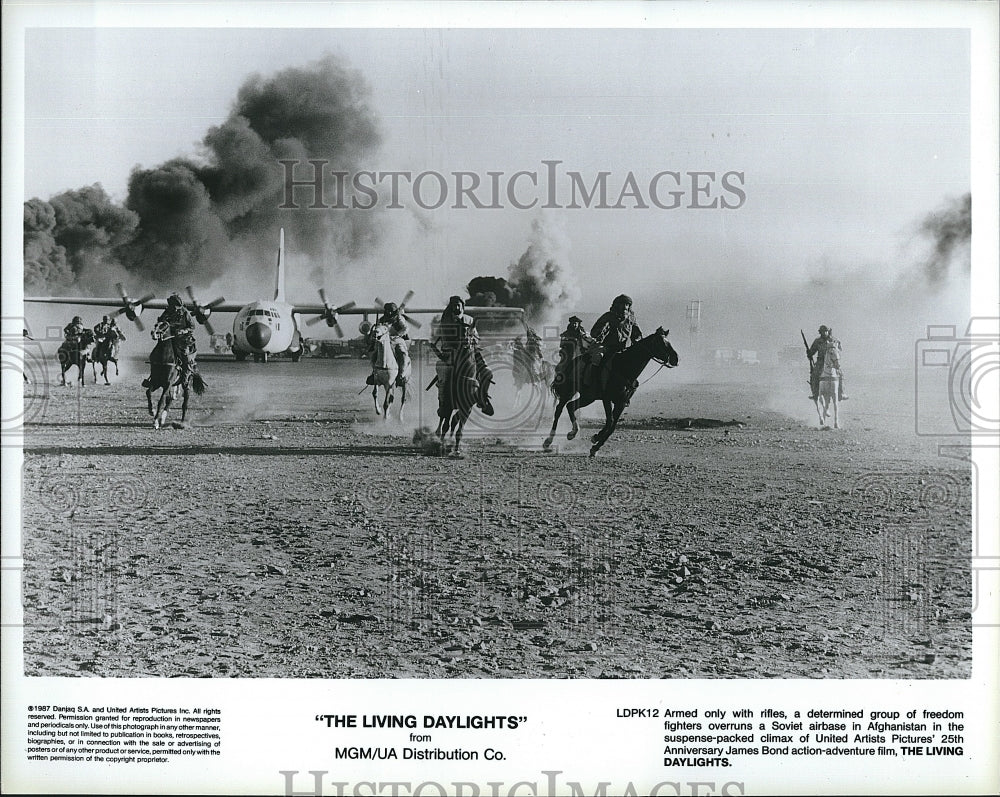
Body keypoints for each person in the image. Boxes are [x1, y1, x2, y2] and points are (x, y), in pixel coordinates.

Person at [436, 295, 493, 415]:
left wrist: (472, 341)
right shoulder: (446, 320)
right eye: (454, 305)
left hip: (471, 351)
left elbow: (476, 336)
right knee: (445, 374)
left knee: (488, 372)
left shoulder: (470, 320)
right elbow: (445, 338)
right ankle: (443, 403)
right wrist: (456, 345)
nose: (456, 307)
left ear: (462, 306)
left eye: (459, 304)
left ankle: (482, 399)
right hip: (452, 351)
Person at [587, 294, 642, 388]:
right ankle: (594, 382)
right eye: (622, 304)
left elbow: (637, 334)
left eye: (627, 304)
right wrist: (601, 331)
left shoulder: (631, 318)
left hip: (625, 349)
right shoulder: (608, 316)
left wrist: (636, 339)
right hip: (608, 347)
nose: (625, 307)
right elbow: (594, 332)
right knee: (597, 358)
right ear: (617, 305)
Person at [366, 301, 411, 386]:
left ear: (394, 311)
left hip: (397, 340)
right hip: (384, 340)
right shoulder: (382, 320)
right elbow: (378, 328)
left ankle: (401, 376)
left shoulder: (399, 319)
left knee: (403, 356)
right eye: (387, 310)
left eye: (391, 310)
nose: (389, 312)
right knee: (374, 355)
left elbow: (406, 328)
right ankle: (374, 373)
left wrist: (397, 334)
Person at [156, 292, 198, 380]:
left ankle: (185, 377)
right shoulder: (167, 311)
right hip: (169, 337)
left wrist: (183, 331)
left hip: (183, 339)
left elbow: (192, 327)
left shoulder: (185, 313)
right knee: (157, 352)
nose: (174, 309)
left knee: (184, 356)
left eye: (176, 307)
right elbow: (161, 321)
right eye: (172, 306)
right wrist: (159, 327)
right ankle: (154, 375)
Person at [807, 324, 848, 401]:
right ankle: (815, 393)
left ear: (828, 331)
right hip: (820, 362)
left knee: (840, 374)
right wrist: (809, 353)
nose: (824, 333)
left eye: (825, 331)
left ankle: (841, 393)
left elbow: (839, 349)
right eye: (822, 331)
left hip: (832, 362)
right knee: (814, 375)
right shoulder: (817, 341)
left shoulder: (834, 340)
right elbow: (812, 352)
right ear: (820, 332)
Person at [554, 315, 595, 388]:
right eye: (573, 323)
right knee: (566, 362)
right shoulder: (567, 333)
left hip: (581, 349)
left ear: (579, 324)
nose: (574, 324)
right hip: (569, 350)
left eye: (576, 323)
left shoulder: (582, 332)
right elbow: (562, 343)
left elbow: (585, 339)